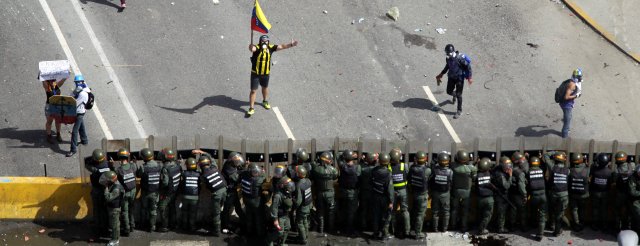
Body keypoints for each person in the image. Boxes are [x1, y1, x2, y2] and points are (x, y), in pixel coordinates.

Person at [246, 35, 298, 116]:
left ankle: (265, 101)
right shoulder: (257, 47)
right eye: (263, 41)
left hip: (265, 73)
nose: (264, 42)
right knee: (253, 91)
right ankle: (251, 108)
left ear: (268, 42)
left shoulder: (270, 47)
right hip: (255, 73)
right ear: (260, 41)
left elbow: (282, 46)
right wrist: (250, 47)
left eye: (266, 41)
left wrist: (291, 45)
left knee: (265, 88)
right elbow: (252, 49)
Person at [435, 44, 473, 119]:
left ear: (452, 52)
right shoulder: (448, 58)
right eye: (447, 53)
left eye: (448, 53)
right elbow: (447, 66)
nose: (447, 55)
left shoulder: (460, 59)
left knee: (459, 95)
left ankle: (459, 110)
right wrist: (441, 74)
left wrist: (470, 77)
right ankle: (454, 95)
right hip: (451, 77)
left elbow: (468, 67)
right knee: (449, 91)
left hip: (459, 78)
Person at [197, 151, 227, 236]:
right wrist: (201, 152)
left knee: (216, 213)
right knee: (222, 210)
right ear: (208, 162)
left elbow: (204, 185)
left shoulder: (203, 176)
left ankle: (217, 231)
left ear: (200, 165)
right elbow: (211, 158)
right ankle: (224, 225)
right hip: (224, 190)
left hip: (217, 194)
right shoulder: (214, 167)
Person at [310, 151, 338, 234]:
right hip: (330, 193)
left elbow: (313, 168)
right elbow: (335, 176)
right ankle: (330, 229)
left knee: (320, 211)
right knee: (331, 211)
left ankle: (321, 229)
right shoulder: (333, 170)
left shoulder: (316, 169)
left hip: (320, 193)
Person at [86, 149, 111, 236]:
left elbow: (87, 165)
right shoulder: (107, 165)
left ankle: (97, 228)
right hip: (106, 190)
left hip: (97, 190)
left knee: (97, 210)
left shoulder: (95, 168)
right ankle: (106, 228)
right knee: (105, 210)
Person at [450, 149, 476, 233]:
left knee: (454, 210)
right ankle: (464, 227)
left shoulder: (453, 166)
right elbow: (474, 177)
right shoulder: (471, 168)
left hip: (456, 191)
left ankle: (453, 225)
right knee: (465, 211)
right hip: (466, 193)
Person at [543, 151, 570, 236]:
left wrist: (554, 152)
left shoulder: (552, 167)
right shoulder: (567, 170)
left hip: (554, 194)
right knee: (560, 213)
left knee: (554, 211)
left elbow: (546, 156)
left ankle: (553, 227)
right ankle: (558, 229)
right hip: (564, 195)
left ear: (555, 159)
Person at [157, 148, 182, 232]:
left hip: (166, 193)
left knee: (163, 208)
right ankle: (173, 224)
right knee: (172, 207)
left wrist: (161, 190)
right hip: (175, 191)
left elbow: (165, 183)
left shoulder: (165, 168)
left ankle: (165, 226)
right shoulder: (177, 165)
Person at [136, 148, 161, 232]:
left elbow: (138, 175)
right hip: (155, 192)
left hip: (145, 193)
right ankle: (152, 227)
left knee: (143, 208)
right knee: (153, 210)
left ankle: (142, 225)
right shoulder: (159, 165)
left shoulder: (143, 167)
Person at [114, 148, 138, 236]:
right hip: (133, 191)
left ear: (119, 157)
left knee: (125, 211)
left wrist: (112, 166)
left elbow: (113, 178)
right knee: (131, 209)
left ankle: (127, 229)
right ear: (127, 156)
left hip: (125, 193)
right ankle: (132, 225)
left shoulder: (118, 170)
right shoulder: (133, 166)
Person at [371, 153, 394, 240]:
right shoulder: (388, 173)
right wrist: (391, 201)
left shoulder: (374, 170)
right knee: (386, 216)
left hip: (375, 196)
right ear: (388, 162)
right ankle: (385, 234)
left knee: (376, 215)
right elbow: (390, 188)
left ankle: (375, 233)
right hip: (384, 198)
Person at [338, 149, 361, 236]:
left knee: (344, 209)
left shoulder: (342, 166)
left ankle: (343, 227)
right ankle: (350, 230)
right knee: (352, 212)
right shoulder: (357, 168)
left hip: (343, 191)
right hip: (353, 193)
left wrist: (343, 156)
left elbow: (338, 156)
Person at [408, 151, 431, 239]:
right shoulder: (427, 170)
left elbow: (409, 179)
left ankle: (413, 227)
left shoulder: (412, 168)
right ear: (425, 159)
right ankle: (418, 233)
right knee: (420, 214)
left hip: (414, 193)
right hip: (422, 195)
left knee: (414, 211)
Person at [66, 75, 90, 157]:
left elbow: (74, 103)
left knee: (74, 131)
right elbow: (70, 97)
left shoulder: (83, 93)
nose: (77, 84)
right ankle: (84, 140)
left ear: (82, 82)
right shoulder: (79, 90)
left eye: (78, 82)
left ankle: (73, 149)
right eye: (76, 82)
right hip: (78, 112)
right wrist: (74, 93)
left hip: (80, 113)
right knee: (81, 127)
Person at [388, 148, 410, 237]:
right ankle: (407, 231)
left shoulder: (389, 167)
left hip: (393, 192)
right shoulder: (404, 166)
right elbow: (408, 176)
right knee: (405, 211)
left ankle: (393, 230)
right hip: (403, 191)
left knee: (392, 211)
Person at [240, 162, 266, 237]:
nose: (257, 173)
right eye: (255, 172)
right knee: (258, 218)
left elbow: (244, 171)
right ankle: (260, 234)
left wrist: (247, 166)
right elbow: (264, 177)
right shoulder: (257, 181)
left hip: (246, 199)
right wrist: (263, 172)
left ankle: (249, 232)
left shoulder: (244, 175)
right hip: (255, 202)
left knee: (249, 216)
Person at [221, 152, 245, 232]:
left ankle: (244, 223)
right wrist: (242, 172)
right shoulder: (228, 167)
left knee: (238, 208)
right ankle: (225, 226)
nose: (237, 162)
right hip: (229, 191)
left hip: (233, 190)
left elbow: (238, 169)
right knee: (226, 209)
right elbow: (236, 179)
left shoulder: (231, 164)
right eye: (235, 161)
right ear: (231, 160)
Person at [268, 177, 296, 246]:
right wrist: (275, 220)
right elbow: (274, 208)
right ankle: (269, 240)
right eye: (289, 186)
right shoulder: (278, 195)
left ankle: (281, 243)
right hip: (280, 216)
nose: (290, 188)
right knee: (279, 232)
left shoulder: (287, 192)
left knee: (287, 228)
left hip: (286, 215)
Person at [430, 152, 453, 232]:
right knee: (446, 212)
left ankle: (435, 228)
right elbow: (451, 182)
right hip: (446, 194)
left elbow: (431, 180)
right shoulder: (450, 172)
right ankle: (444, 228)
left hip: (436, 193)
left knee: (435, 212)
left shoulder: (434, 170)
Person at [614, 151, 636, 232]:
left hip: (620, 193)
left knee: (617, 211)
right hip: (630, 193)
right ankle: (627, 227)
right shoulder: (632, 166)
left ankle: (617, 228)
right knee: (629, 211)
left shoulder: (616, 171)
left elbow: (614, 180)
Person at [591, 153, 613, 232]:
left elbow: (591, 181)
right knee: (604, 210)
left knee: (595, 209)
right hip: (605, 193)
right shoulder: (609, 172)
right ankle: (604, 225)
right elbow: (610, 183)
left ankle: (595, 225)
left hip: (595, 192)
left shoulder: (595, 171)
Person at [527, 156, 547, 241]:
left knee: (533, 210)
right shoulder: (542, 170)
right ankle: (540, 234)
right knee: (542, 214)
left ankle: (533, 224)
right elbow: (545, 165)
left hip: (534, 195)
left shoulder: (528, 172)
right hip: (543, 195)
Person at [102, 171, 124, 246]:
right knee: (113, 224)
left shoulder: (116, 189)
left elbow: (108, 198)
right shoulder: (114, 184)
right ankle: (115, 236)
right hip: (112, 208)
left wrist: (106, 188)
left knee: (115, 225)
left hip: (115, 209)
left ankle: (115, 240)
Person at [559, 68, 583, 138]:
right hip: (566, 105)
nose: (581, 78)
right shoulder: (572, 84)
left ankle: (566, 122)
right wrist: (576, 96)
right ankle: (564, 137)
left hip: (568, 104)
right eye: (579, 77)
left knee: (569, 117)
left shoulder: (573, 81)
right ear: (576, 77)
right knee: (567, 122)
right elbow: (566, 97)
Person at [42, 76, 66, 144]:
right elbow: (44, 83)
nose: (53, 82)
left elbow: (62, 82)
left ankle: (58, 134)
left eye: (54, 81)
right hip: (50, 106)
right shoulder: (47, 87)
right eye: (52, 81)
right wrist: (42, 77)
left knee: (58, 121)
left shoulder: (56, 86)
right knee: (49, 121)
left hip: (57, 106)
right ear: (49, 81)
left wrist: (65, 76)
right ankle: (49, 136)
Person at [568, 153, 589, 231]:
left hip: (573, 194)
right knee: (582, 209)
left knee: (574, 209)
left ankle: (576, 224)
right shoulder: (587, 170)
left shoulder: (570, 170)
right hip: (584, 195)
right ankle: (582, 224)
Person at [492, 157, 513, 233]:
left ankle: (499, 225)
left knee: (501, 212)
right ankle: (500, 228)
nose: (508, 168)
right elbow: (506, 186)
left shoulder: (497, 168)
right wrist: (510, 176)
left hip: (501, 194)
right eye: (506, 167)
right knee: (502, 212)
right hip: (501, 195)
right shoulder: (500, 174)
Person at [508, 153, 528, 232]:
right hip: (519, 194)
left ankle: (512, 226)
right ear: (519, 161)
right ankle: (523, 226)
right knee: (523, 210)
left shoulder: (510, 169)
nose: (523, 161)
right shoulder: (520, 173)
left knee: (513, 210)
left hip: (511, 193)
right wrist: (525, 195)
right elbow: (521, 185)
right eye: (522, 160)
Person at [293, 165, 312, 244]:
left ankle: (303, 239)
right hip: (308, 205)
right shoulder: (308, 181)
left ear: (299, 174)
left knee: (300, 223)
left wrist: (294, 204)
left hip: (302, 208)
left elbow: (298, 201)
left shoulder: (298, 185)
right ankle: (305, 235)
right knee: (305, 221)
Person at [358, 152, 377, 231]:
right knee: (373, 210)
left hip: (364, 191)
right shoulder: (376, 169)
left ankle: (363, 225)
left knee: (363, 209)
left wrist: (362, 161)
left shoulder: (362, 168)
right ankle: (372, 226)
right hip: (373, 192)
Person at [180, 158, 200, 232]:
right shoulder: (198, 174)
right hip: (195, 197)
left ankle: (184, 226)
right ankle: (192, 227)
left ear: (187, 166)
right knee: (193, 213)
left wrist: (181, 163)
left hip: (185, 196)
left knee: (184, 211)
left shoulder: (184, 174)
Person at [476, 158, 495, 235]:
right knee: (487, 215)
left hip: (480, 198)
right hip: (488, 199)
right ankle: (481, 230)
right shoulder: (490, 175)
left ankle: (481, 226)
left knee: (481, 214)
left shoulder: (477, 175)